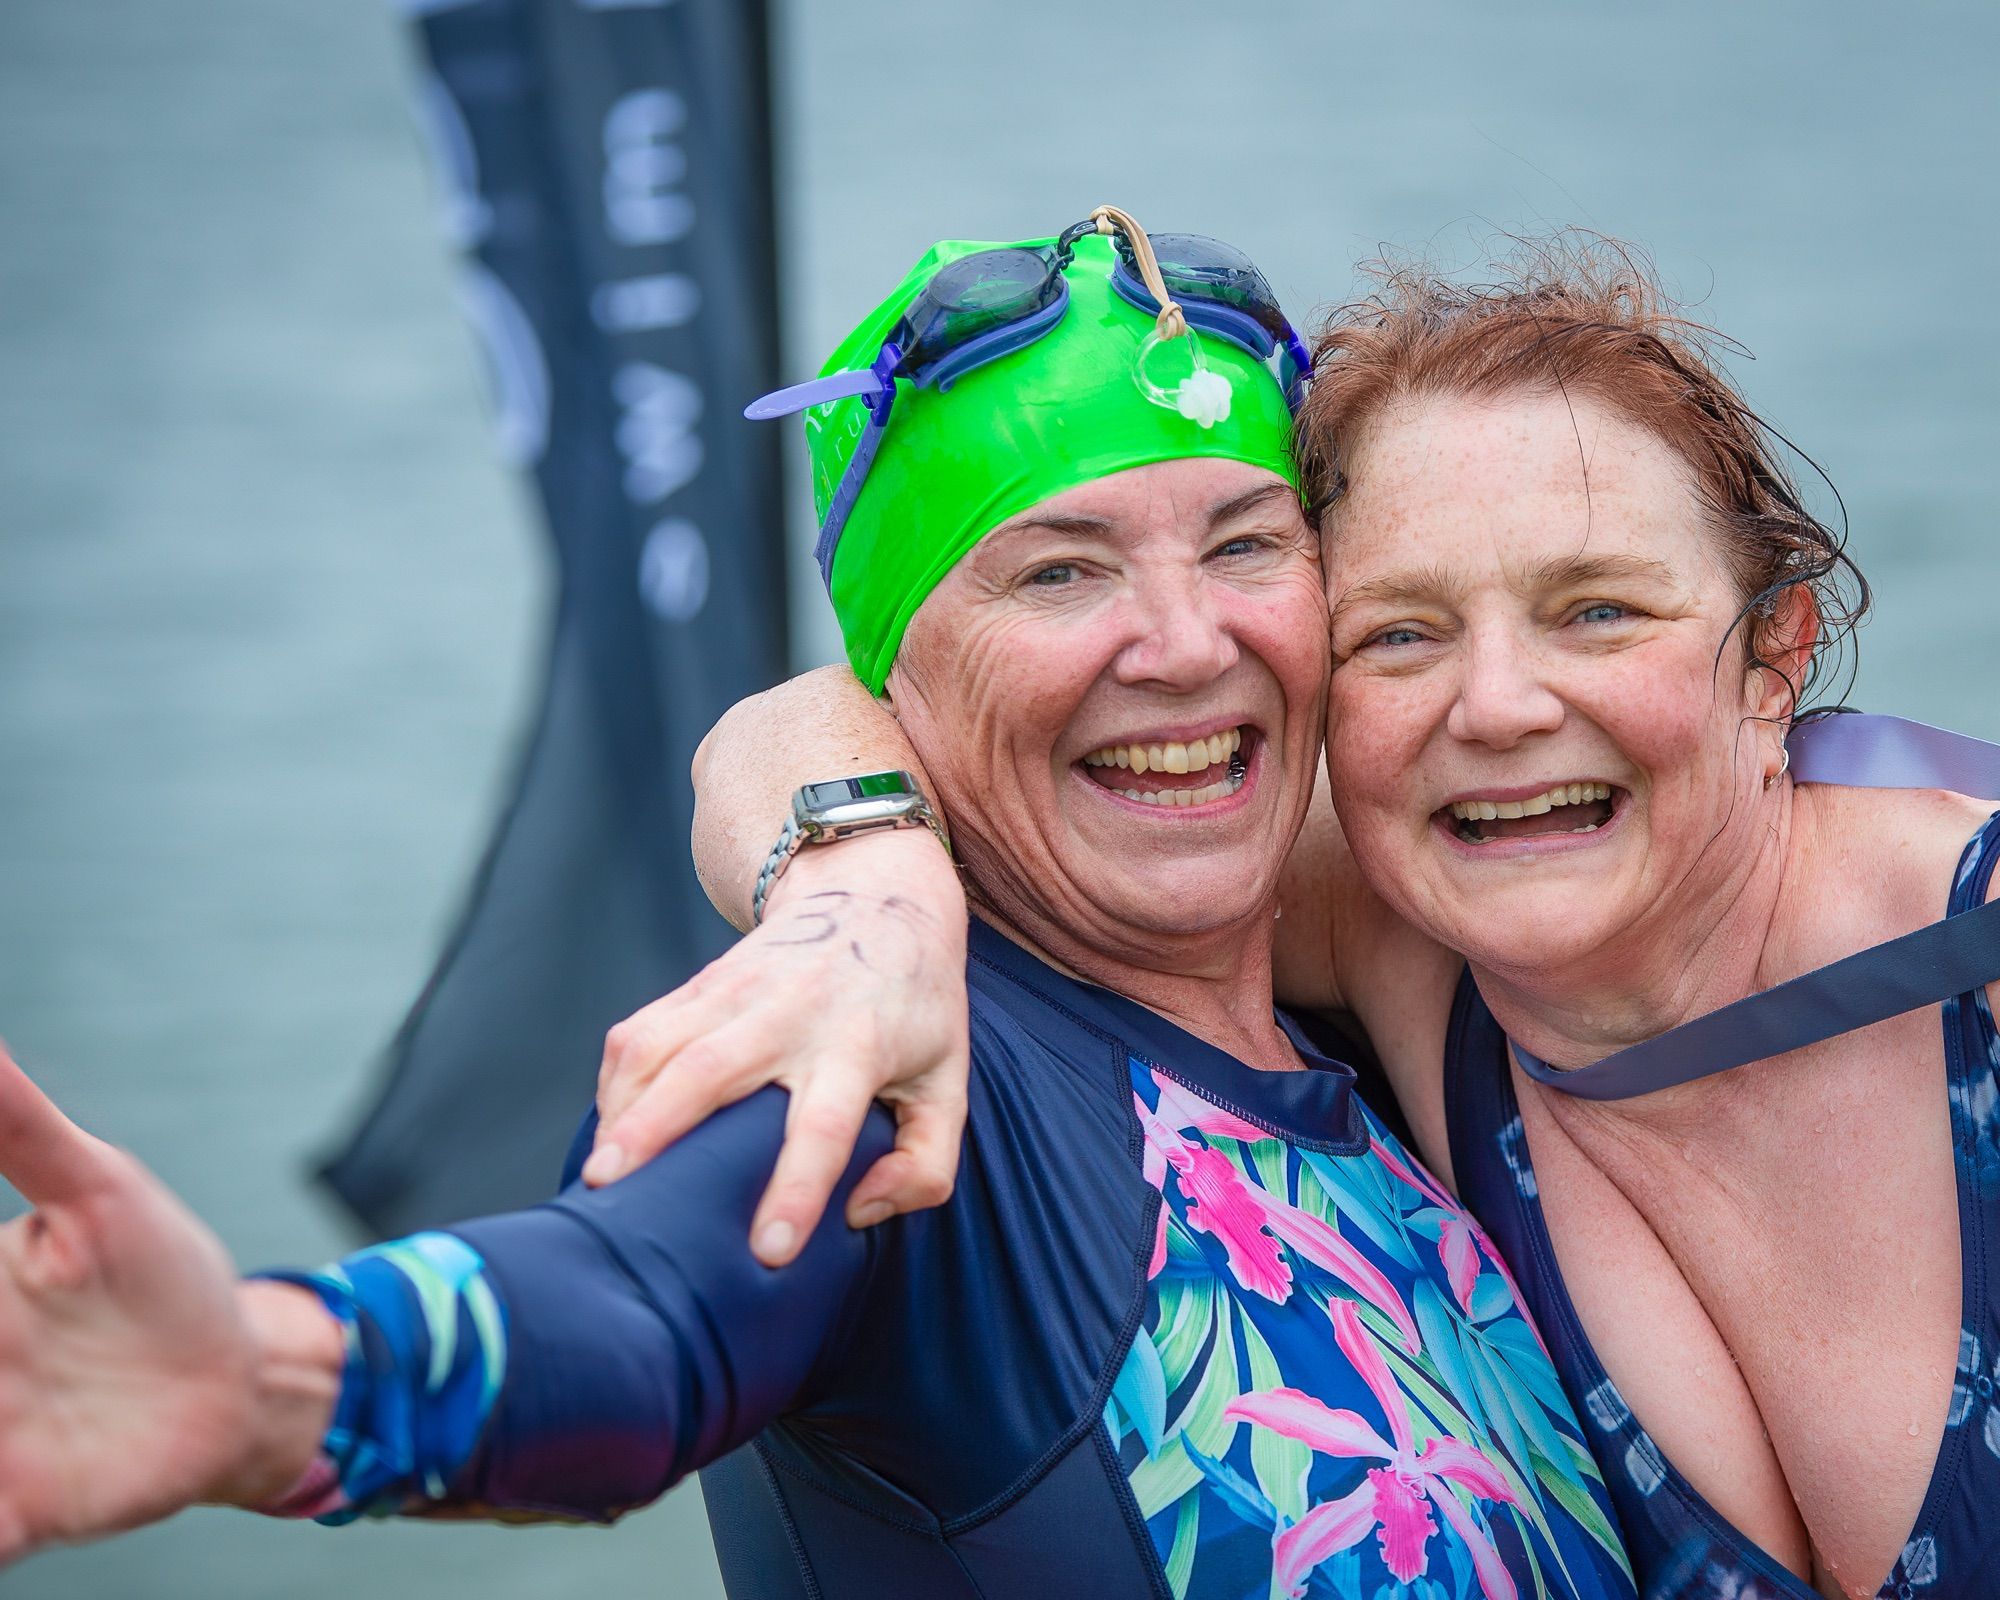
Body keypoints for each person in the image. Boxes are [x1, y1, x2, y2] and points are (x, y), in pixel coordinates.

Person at [0, 213, 1635, 1600]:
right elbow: (643, 1311)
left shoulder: (1399, 1024)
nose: (1186, 641)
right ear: (890, 679)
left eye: (1244, 543)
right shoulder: (909, 1070)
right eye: (1055, 568)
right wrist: (271, 1378)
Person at [586, 239, 2000, 1600]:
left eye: (1601, 612)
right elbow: (797, 724)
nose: (1497, 705)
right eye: (1400, 633)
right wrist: (861, 890)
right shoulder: (1408, 924)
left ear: (1774, 654)